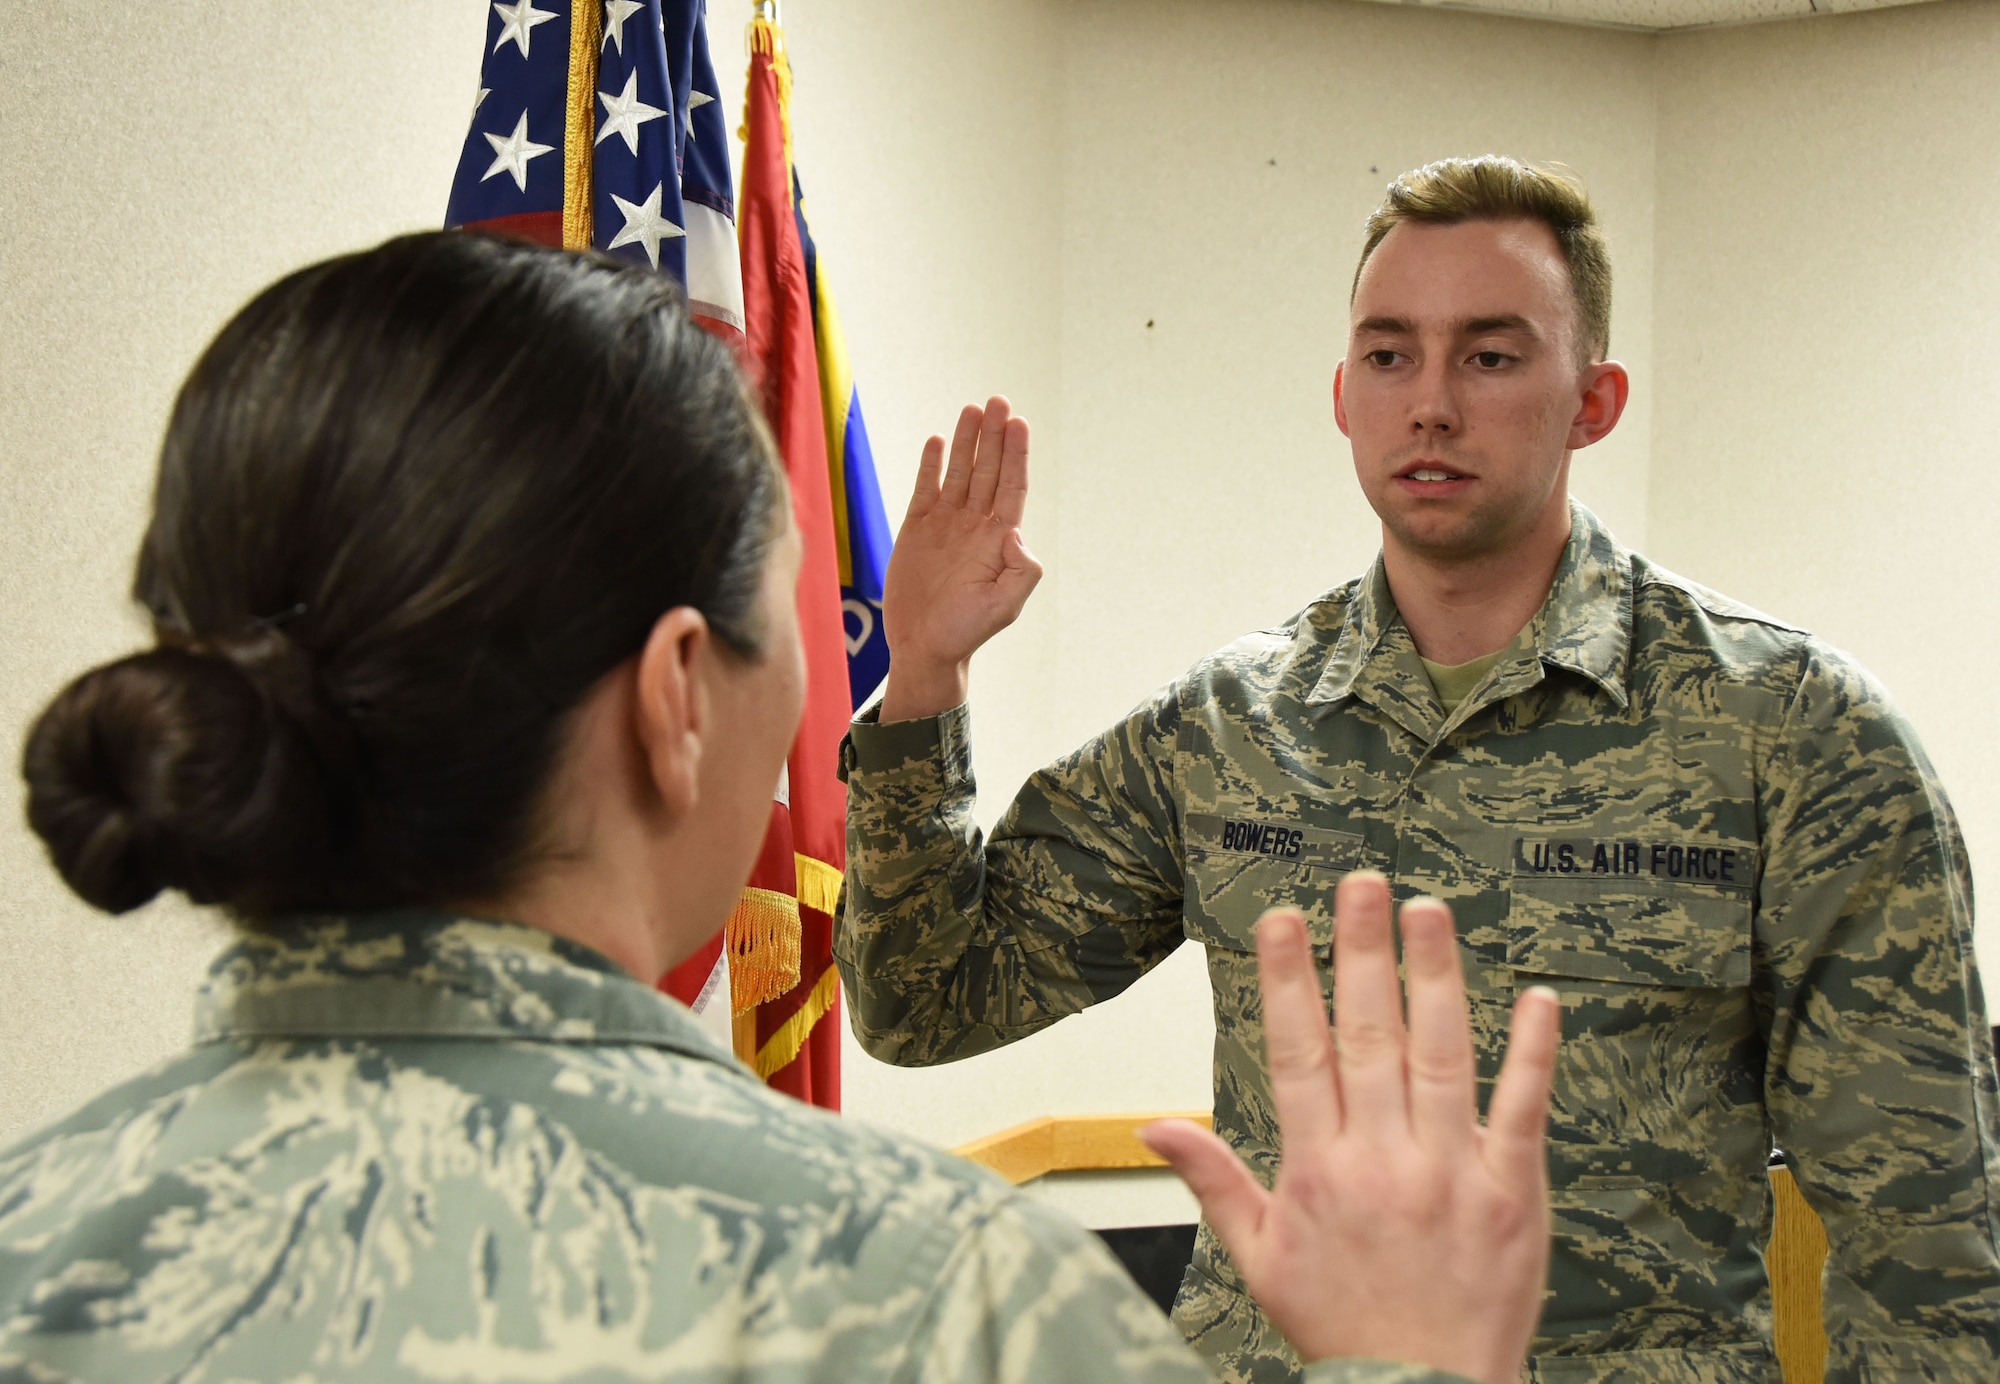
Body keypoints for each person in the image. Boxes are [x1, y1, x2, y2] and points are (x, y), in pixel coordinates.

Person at [1, 230, 1563, 1384]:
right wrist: (1413, 1365)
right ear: (681, 697)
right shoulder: (931, 1303)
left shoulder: (33, 1244)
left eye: (1491, 353)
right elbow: (929, 990)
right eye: (799, 623)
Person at [838, 155, 2000, 1382]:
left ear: (1592, 399)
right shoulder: (1228, 724)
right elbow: (927, 1003)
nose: (1430, 404)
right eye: (1390, 356)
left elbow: (1920, 1235)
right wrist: (924, 680)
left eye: (1489, 357)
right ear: (1343, 395)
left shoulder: (1793, 733)